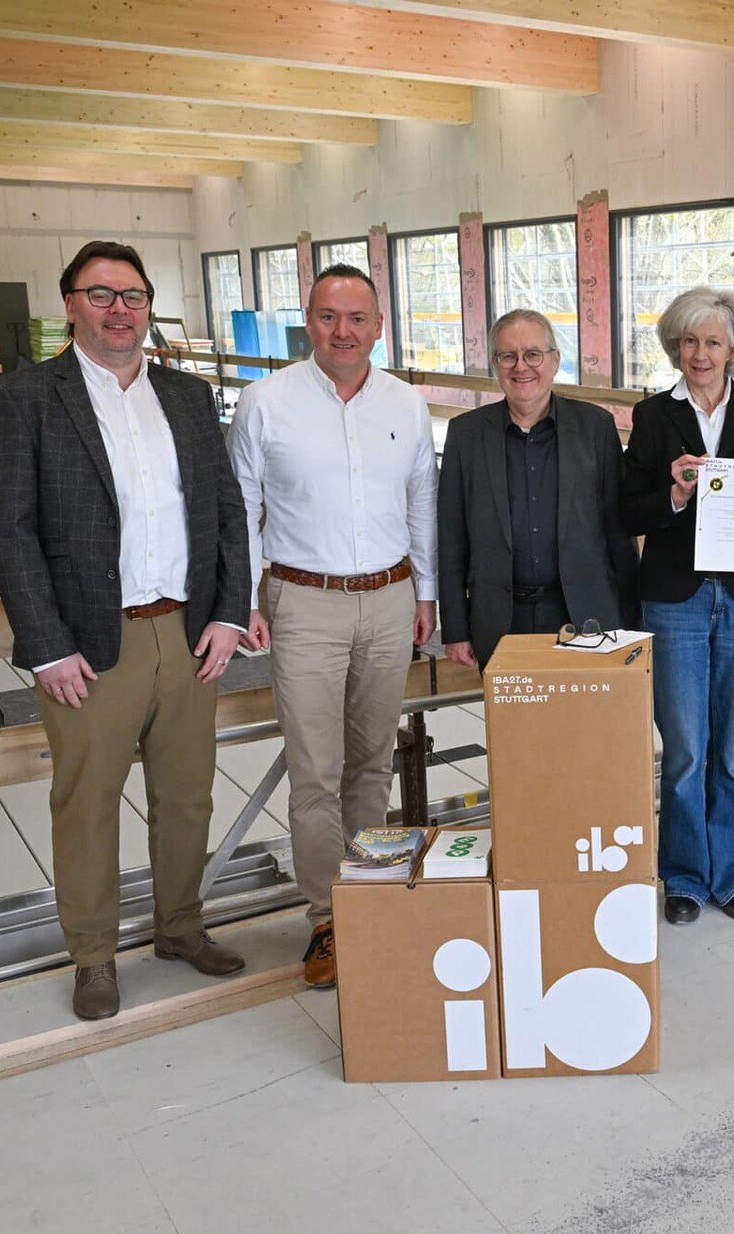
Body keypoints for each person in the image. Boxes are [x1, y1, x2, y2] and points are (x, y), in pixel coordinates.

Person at [0, 240, 250, 1021]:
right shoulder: (27, 397)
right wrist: (46, 645)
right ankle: (93, 953)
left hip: (187, 634)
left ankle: (181, 925)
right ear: (70, 306)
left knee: (187, 796)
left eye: (133, 295)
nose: (119, 310)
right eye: (100, 295)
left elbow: (226, 511)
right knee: (89, 804)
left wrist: (229, 613)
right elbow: (10, 531)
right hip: (91, 646)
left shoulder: (188, 397)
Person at [229, 263, 439, 989]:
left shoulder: (405, 403)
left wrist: (426, 593)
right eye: (327, 316)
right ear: (308, 323)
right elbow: (241, 507)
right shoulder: (265, 402)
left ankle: (370, 897)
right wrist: (244, 599)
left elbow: (421, 502)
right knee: (314, 770)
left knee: (372, 762)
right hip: (304, 601)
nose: (342, 331)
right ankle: (327, 917)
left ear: (379, 326)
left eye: (356, 318)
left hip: (389, 597)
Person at [621, 288, 734, 926]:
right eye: (689, 341)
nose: (700, 353)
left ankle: (732, 875)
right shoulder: (652, 415)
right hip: (676, 599)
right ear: (675, 346)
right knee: (686, 749)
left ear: (733, 346)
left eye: (713, 341)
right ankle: (686, 878)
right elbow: (629, 508)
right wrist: (675, 494)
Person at [437, 309, 637, 668]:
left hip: (586, 616)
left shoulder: (595, 427)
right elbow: (451, 537)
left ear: (555, 360)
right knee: (512, 709)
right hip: (500, 621)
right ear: (495, 364)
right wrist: (454, 628)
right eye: (507, 356)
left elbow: (617, 531)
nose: (521, 367)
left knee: (583, 707)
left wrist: (631, 619)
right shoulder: (466, 434)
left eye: (533, 354)